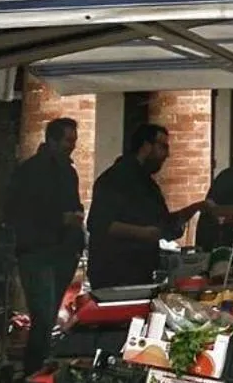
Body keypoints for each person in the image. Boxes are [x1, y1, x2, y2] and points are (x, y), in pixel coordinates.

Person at [4, 115, 85, 383]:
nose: (71, 147)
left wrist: (75, 224)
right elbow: (17, 212)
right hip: (38, 253)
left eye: (74, 142)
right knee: (41, 326)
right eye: (67, 141)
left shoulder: (68, 172)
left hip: (62, 252)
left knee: (48, 324)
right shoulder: (29, 172)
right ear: (51, 141)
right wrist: (60, 220)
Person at [86, 122, 208, 290]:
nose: (167, 154)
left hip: (139, 268)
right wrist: (143, 233)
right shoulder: (116, 178)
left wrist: (196, 208)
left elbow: (165, 224)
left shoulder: (147, 184)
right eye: (162, 147)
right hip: (115, 271)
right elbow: (98, 223)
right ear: (146, 146)